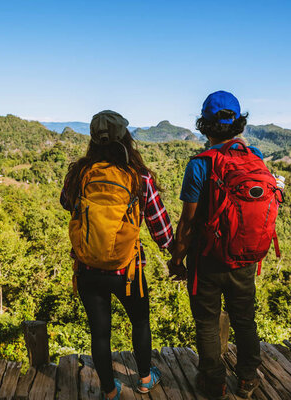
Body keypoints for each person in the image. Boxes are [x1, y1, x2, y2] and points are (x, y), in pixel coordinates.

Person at [170, 91, 275, 399]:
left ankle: (213, 381)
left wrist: (178, 260)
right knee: (244, 319)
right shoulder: (255, 156)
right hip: (245, 257)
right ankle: (246, 379)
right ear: (238, 123)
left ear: (205, 125)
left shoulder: (200, 165)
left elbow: (187, 223)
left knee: (206, 321)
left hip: (206, 260)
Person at [60, 110, 173, 399]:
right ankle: (146, 379)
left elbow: (65, 203)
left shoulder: (80, 173)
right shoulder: (139, 177)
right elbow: (160, 229)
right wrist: (176, 253)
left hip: (87, 267)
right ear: (126, 136)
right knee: (140, 322)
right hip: (127, 270)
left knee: (100, 332)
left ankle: (110, 390)